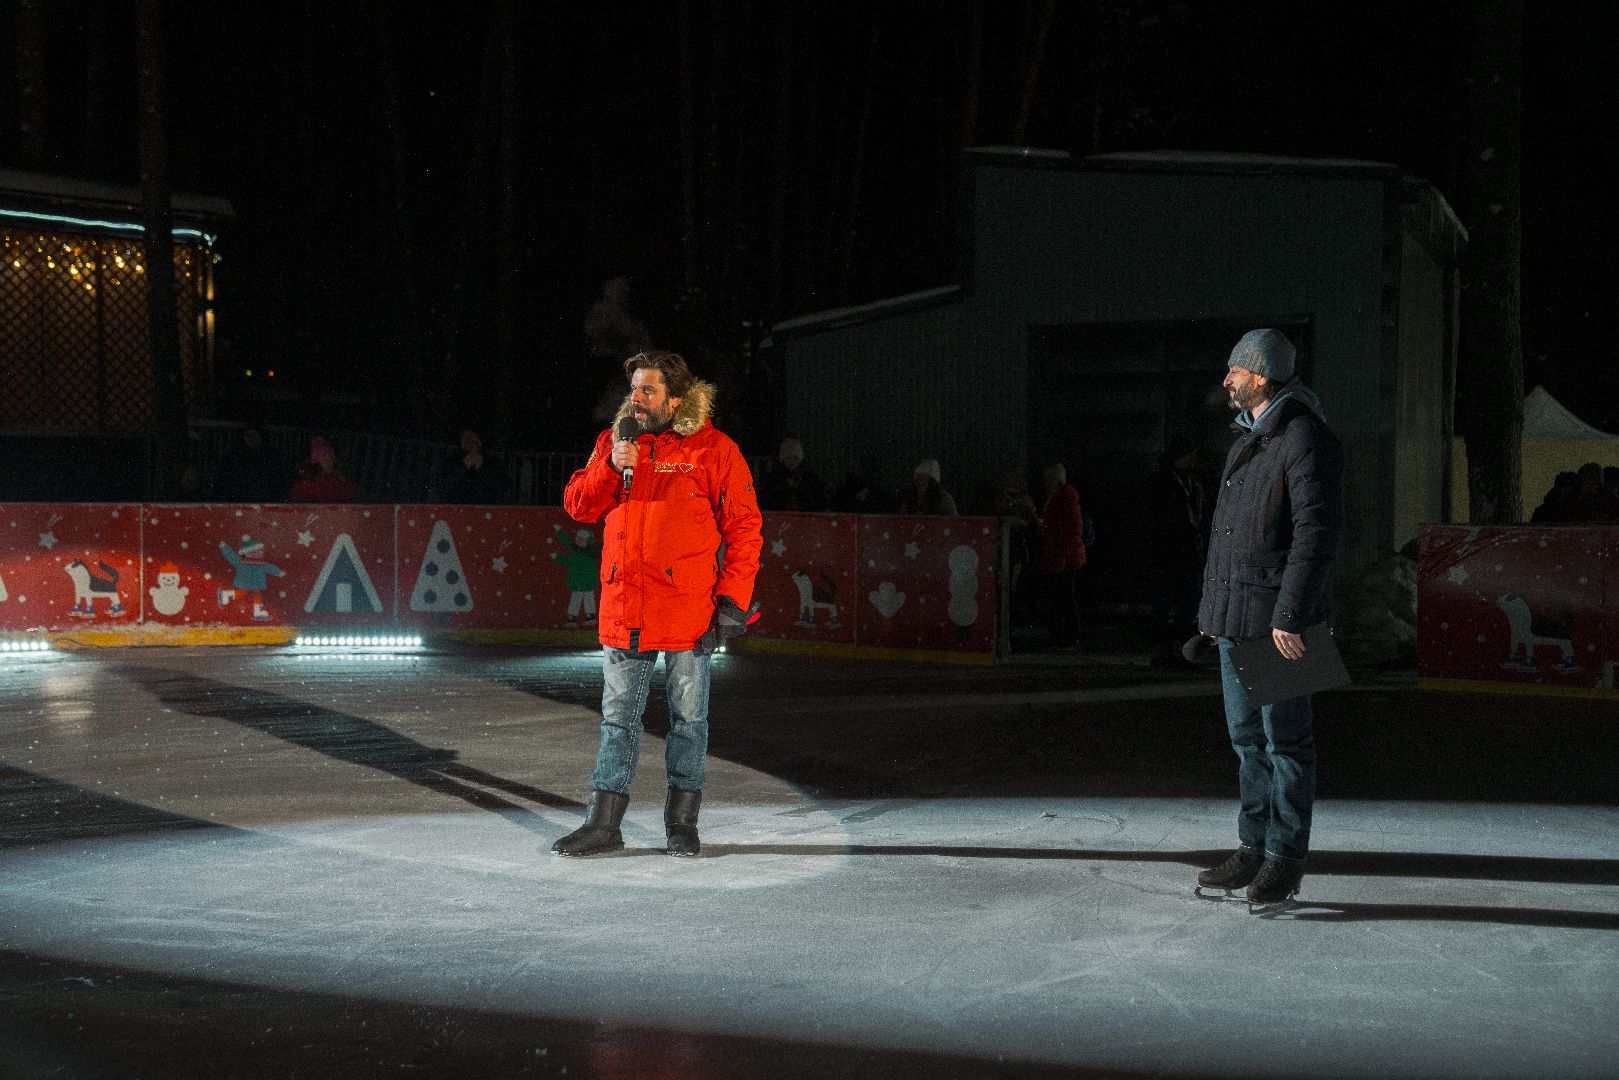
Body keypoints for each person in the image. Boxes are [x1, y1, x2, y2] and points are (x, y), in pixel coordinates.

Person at [552, 350, 763, 859]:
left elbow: (745, 527)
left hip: (688, 612)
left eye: (648, 390)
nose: (638, 400)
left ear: (676, 397)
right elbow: (579, 504)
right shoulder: (614, 442)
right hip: (626, 606)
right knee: (618, 719)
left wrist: (732, 600)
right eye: (635, 390)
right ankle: (604, 824)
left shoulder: (714, 449)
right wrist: (611, 465)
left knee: (689, 721)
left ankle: (682, 825)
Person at [1192, 329, 1343, 909]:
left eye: (1233, 370)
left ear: (1260, 375)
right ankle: (1252, 849)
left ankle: (1285, 859)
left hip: (1280, 624)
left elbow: (1317, 535)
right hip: (1238, 618)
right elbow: (1228, 537)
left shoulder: (1303, 436)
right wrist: (1214, 614)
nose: (1226, 379)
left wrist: (1291, 614)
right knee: (1248, 743)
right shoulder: (1251, 440)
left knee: (1287, 747)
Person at [1146, 439, 1210, 664]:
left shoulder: (1192, 482)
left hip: (1189, 553)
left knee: (1187, 602)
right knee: (1167, 603)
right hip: (1170, 554)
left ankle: (1177, 649)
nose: (1192, 460)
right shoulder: (1164, 482)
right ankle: (1166, 649)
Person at [1038, 462, 1087, 647]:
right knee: (1061, 598)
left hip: (1063, 558)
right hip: (1061, 555)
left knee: (1064, 598)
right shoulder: (1061, 497)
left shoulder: (1064, 497)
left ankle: (1069, 635)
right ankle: (1063, 635)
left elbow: (1073, 530)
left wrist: (1063, 556)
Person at [211, 422, 290, 502]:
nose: (251, 438)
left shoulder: (273, 456)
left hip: (267, 503)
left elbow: (280, 480)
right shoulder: (233, 457)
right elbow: (223, 479)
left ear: (261, 436)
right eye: (247, 435)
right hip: (239, 503)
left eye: (254, 434)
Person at [758, 436, 829, 512]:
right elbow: (766, 502)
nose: (792, 461)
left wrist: (800, 489)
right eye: (788, 458)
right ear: (783, 459)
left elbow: (818, 502)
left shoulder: (810, 479)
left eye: (795, 458)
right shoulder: (773, 479)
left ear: (800, 459)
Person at [440, 429, 504, 504]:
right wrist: (463, 467)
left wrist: (482, 468)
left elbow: (501, 486)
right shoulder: (452, 461)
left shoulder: (492, 460)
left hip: (486, 509)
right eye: (466, 440)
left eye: (472, 439)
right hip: (458, 508)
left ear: (479, 441)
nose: (470, 443)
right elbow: (445, 486)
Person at [288, 436, 358, 503]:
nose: (328, 461)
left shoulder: (341, 482)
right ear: (315, 461)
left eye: (330, 457)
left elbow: (352, 503)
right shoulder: (304, 485)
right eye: (323, 457)